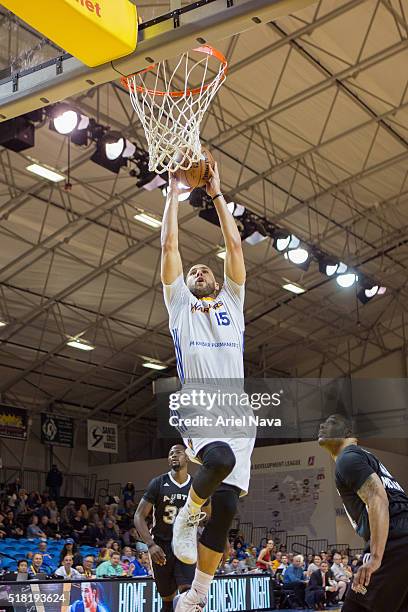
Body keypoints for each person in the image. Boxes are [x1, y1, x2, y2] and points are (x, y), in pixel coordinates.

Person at [161, 164, 255, 612]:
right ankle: (185, 516)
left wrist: (217, 194)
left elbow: (234, 245)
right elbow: (170, 246)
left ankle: (196, 596)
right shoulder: (179, 303)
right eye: (193, 271)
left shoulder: (232, 302)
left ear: (218, 282)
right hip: (199, 401)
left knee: (229, 510)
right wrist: (171, 195)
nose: (197, 271)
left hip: (237, 411)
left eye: (204, 270)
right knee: (219, 458)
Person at [318, 413, 408, 611]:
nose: (322, 425)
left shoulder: (347, 458)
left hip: (396, 539)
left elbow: (378, 498)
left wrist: (376, 558)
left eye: (331, 422)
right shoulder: (365, 458)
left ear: (348, 433)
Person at [134, 445, 199, 612]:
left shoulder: (197, 486)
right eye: (170, 454)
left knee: (187, 597)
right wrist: (150, 544)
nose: (173, 456)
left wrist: (221, 541)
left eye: (178, 452)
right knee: (168, 602)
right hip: (161, 547)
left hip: (185, 545)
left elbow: (210, 517)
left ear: (188, 457)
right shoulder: (158, 483)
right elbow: (139, 516)